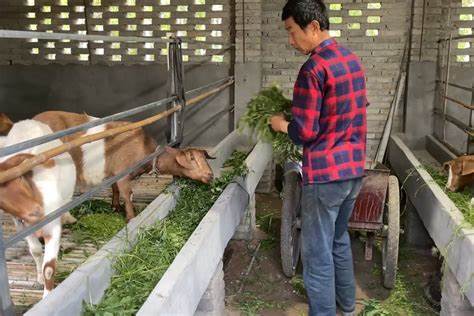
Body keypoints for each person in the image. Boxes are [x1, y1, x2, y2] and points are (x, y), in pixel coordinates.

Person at [270, 1, 368, 315]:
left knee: (316, 254)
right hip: (353, 170)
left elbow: (306, 132)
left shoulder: (314, 68)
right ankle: (348, 306)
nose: (291, 40)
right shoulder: (351, 60)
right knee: (339, 240)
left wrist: (282, 124)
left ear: (313, 26)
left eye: (292, 31)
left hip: (325, 175)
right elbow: (350, 111)